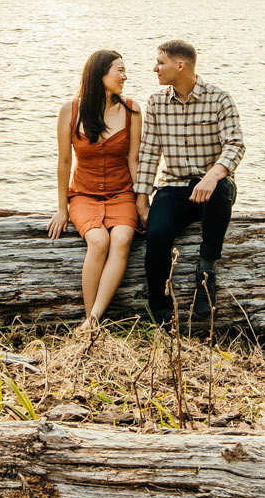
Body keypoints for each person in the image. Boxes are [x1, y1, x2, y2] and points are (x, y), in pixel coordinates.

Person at [134, 39, 244, 329]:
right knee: (156, 235)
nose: (154, 68)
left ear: (179, 65)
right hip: (174, 187)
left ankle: (205, 272)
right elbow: (149, 151)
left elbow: (235, 145)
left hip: (213, 187)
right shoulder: (156, 103)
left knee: (221, 189)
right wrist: (142, 197)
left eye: (160, 62)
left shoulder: (219, 98)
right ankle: (158, 305)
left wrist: (213, 174)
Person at [49, 49, 142, 327]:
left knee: (123, 238)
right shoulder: (71, 110)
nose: (125, 76)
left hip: (122, 193)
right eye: (120, 70)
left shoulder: (132, 110)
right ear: (100, 74)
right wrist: (61, 209)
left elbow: (134, 160)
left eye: (125, 70)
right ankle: (91, 321)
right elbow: (64, 162)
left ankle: (93, 319)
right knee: (99, 240)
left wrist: (141, 201)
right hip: (83, 195)